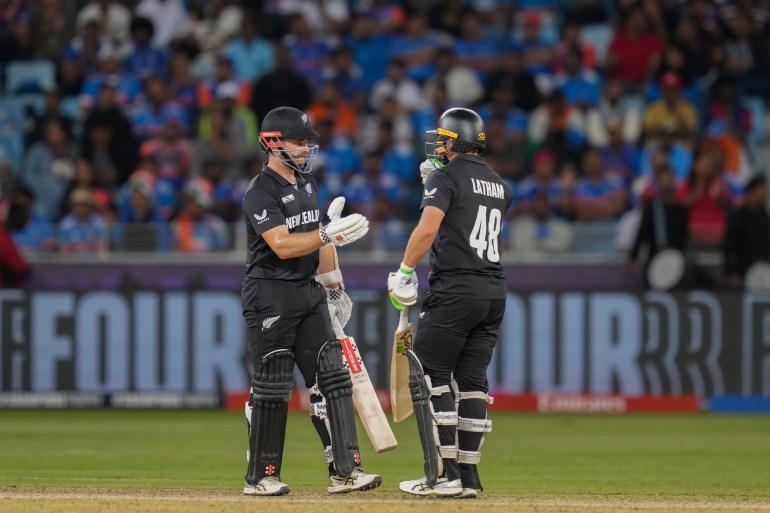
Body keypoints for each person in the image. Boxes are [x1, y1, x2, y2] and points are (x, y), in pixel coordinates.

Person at [240, 106, 378, 496]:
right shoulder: (260, 191)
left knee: (332, 378)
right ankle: (262, 476)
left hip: (307, 290)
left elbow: (319, 239)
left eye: (306, 143)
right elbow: (282, 244)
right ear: (273, 143)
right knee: (272, 384)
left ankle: (346, 472)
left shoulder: (306, 184)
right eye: (299, 142)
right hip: (270, 292)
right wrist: (328, 235)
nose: (305, 149)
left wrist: (335, 287)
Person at [388, 108, 513, 498]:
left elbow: (429, 228)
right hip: (493, 291)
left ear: (458, 141)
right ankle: (470, 477)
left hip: (456, 288)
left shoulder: (444, 176)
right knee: (472, 382)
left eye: (444, 138)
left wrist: (406, 270)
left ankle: (445, 474)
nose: (438, 144)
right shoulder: (501, 184)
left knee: (431, 375)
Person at [723, 175, 770, 288]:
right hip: (742, 271)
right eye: (761, 191)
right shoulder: (739, 217)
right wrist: (732, 272)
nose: (764, 195)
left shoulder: (765, 218)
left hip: (763, 272)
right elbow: (729, 247)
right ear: (751, 193)